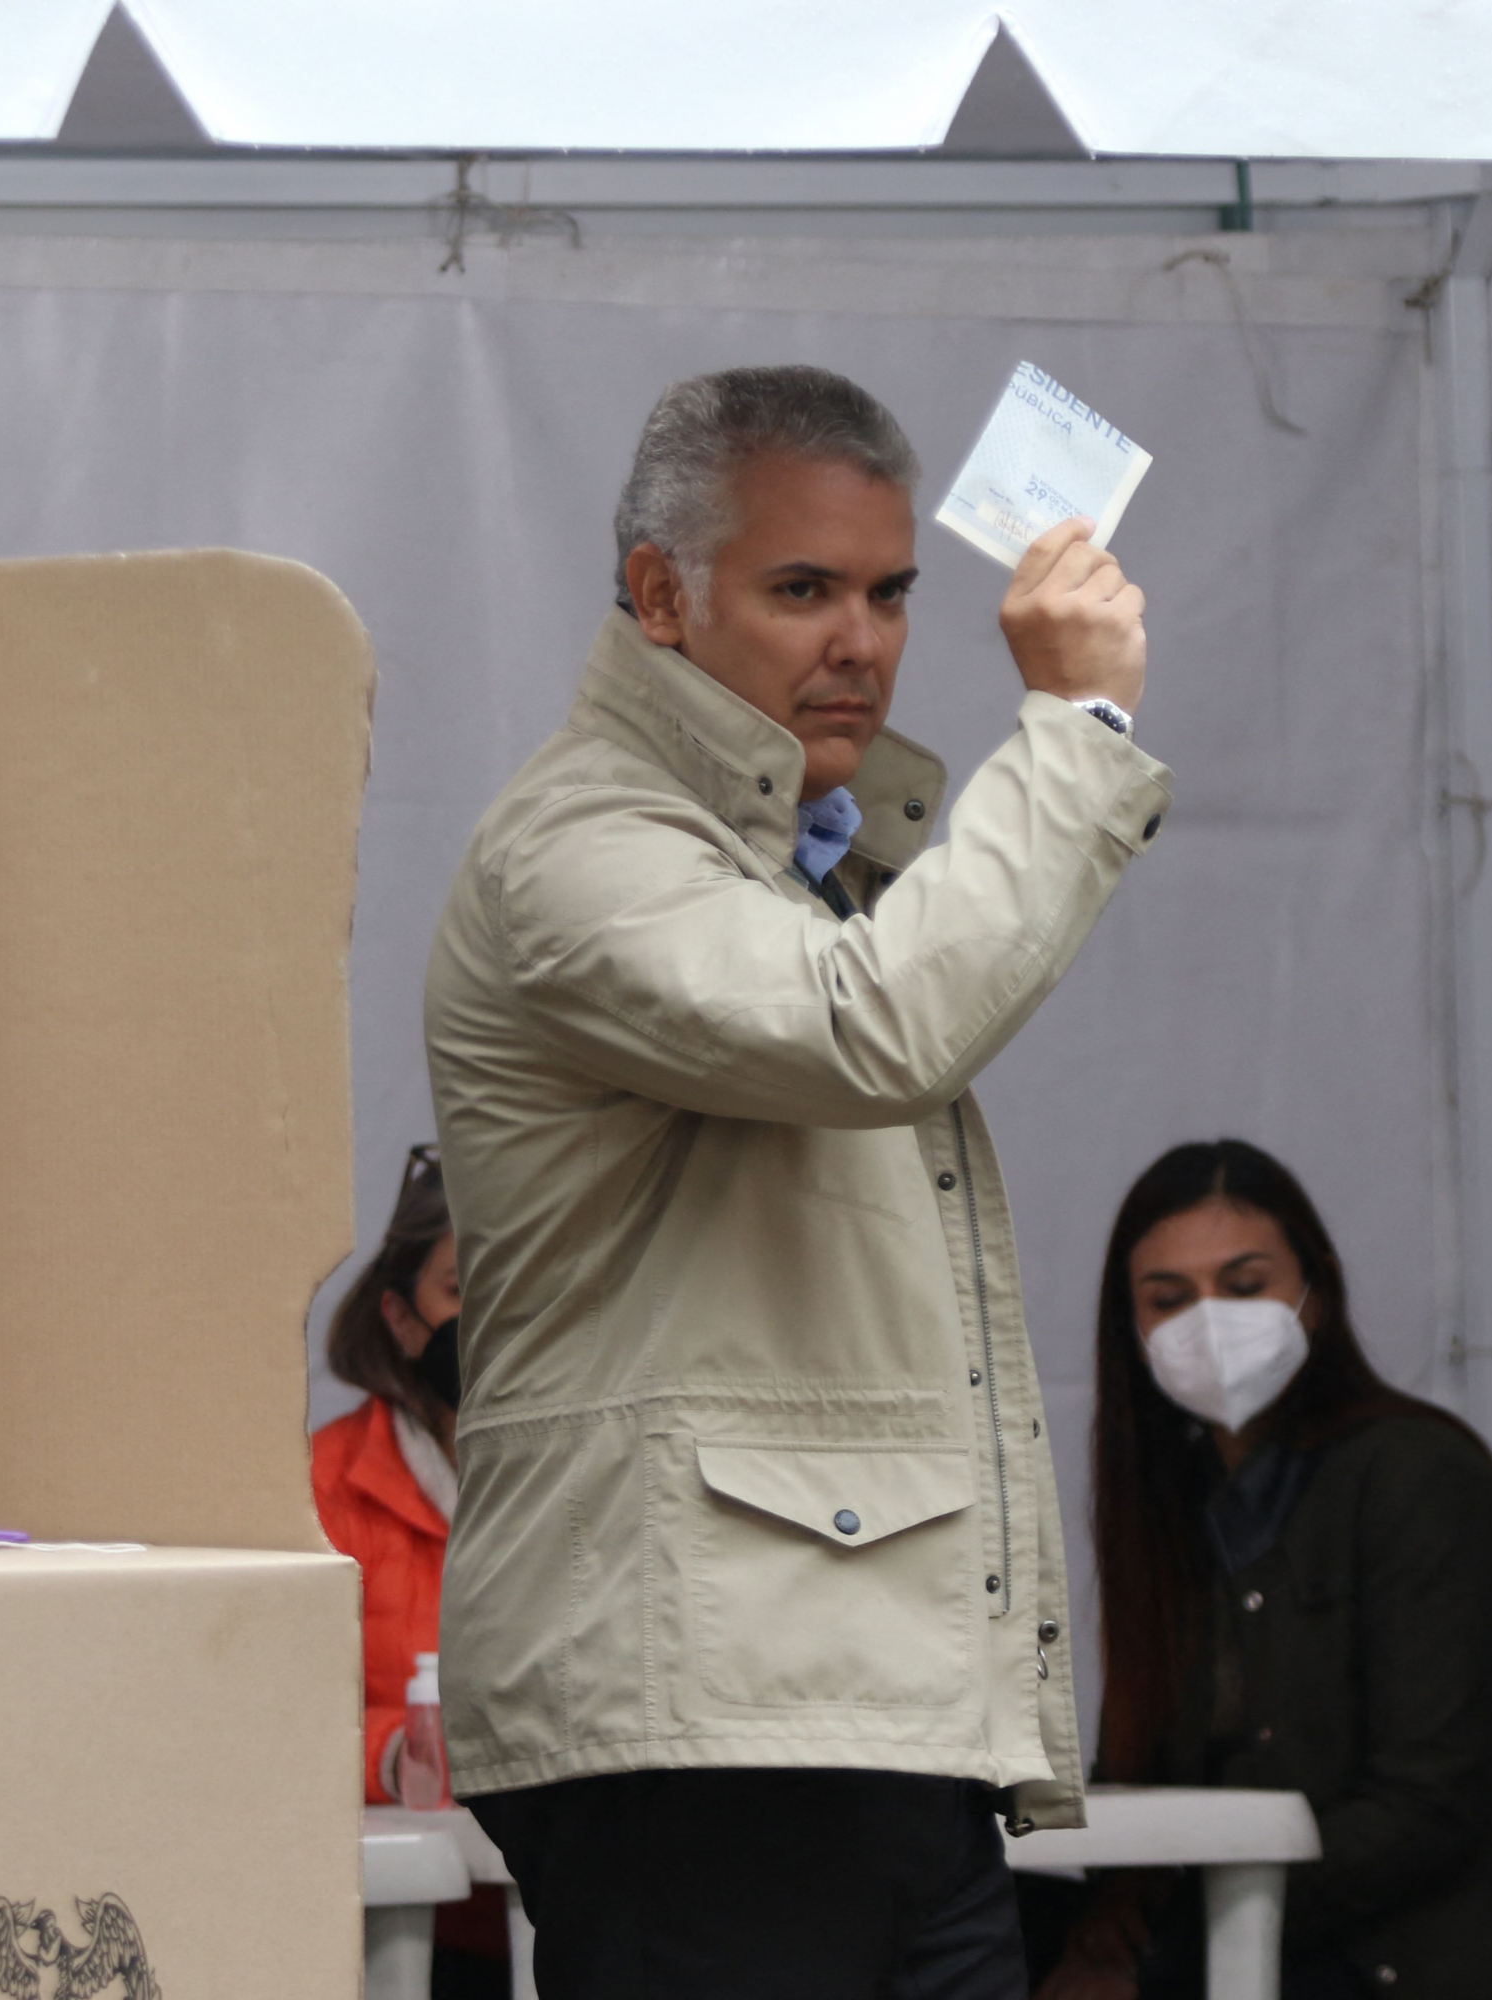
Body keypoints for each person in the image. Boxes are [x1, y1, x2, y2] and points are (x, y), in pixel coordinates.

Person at [424, 363, 1169, 2000]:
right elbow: (873, 1029)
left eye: (893, 590)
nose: (864, 639)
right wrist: (1079, 731)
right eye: (804, 588)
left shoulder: (806, 852)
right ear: (657, 596)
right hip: (698, 1714)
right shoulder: (578, 842)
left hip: (856, 1704)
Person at [1029, 1139, 1492, 2000]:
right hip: (1242, 1920)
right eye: (1168, 1301)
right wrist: (1116, 1924)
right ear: (1130, 1333)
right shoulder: (1181, 1505)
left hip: (1378, 1954)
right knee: (963, 1915)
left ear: (1315, 1297)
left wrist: (1177, 1930)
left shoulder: (1419, 1474)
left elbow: (1431, 1810)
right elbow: (1137, 1776)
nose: (1208, 1323)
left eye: (1245, 1287)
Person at [305, 1141, 508, 1997]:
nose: (498, 1318)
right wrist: (399, 1752)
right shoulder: (318, 1488)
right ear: (398, 1316)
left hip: (582, 1916)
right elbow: (268, 1720)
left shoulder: (601, 1479)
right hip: (404, 1939)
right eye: (465, 1290)